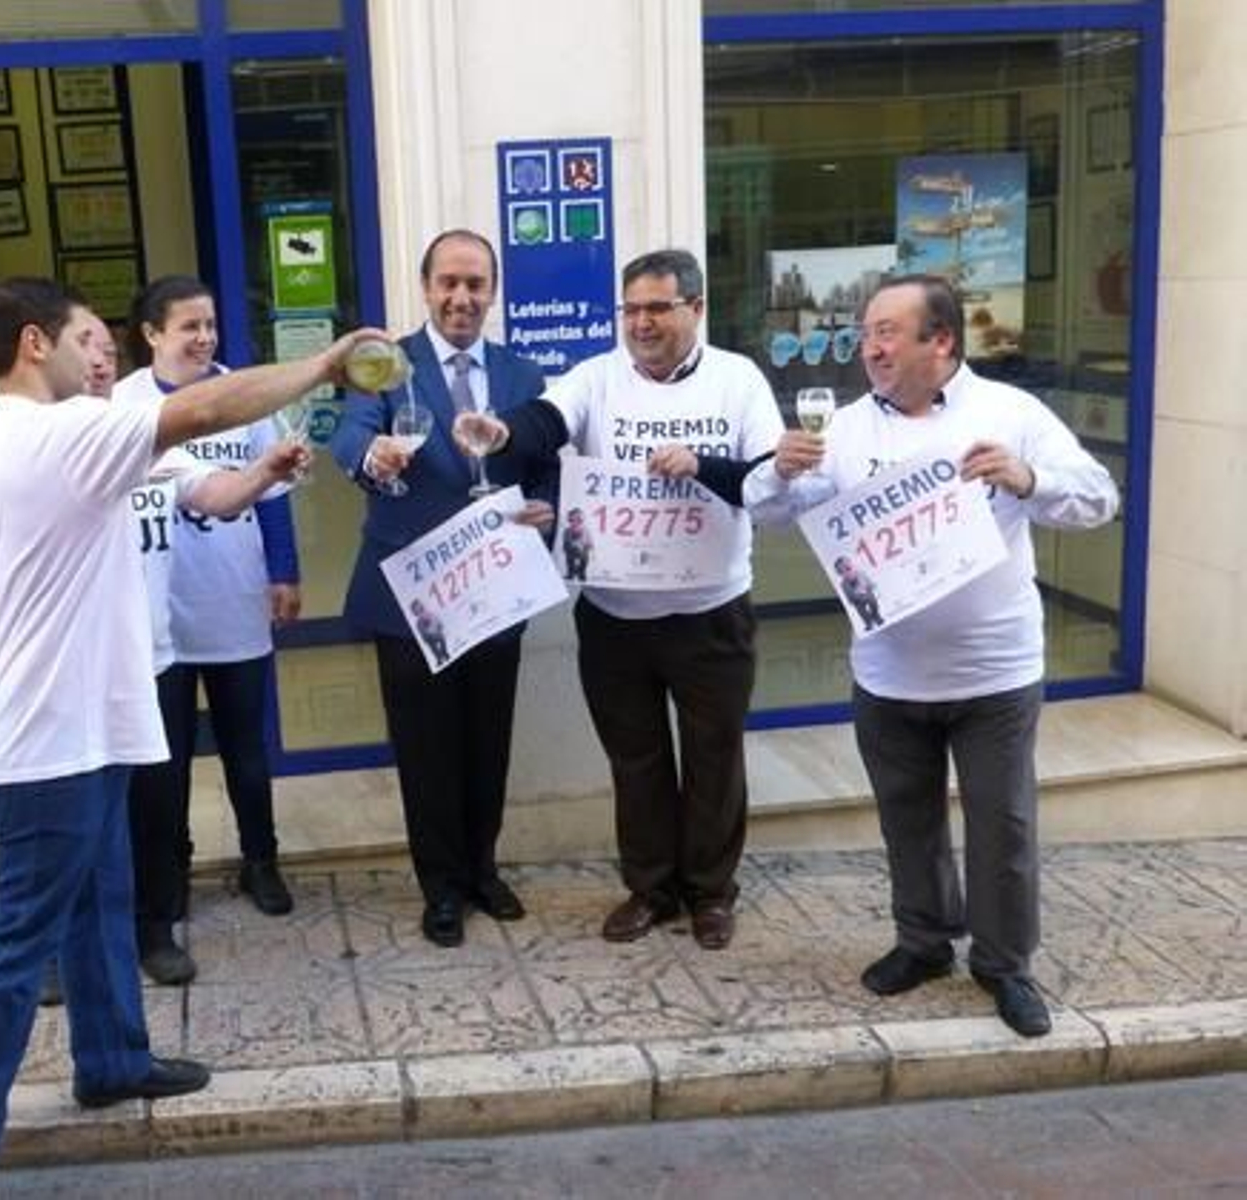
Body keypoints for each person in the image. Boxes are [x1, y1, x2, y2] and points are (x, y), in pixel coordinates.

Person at [0, 276, 375, 1199]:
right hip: (46, 739)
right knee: (19, 933)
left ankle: (113, 1058)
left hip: (84, 725)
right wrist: (322, 365)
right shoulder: (64, 432)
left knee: (99, 905)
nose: (103, 356)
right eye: (87, 339)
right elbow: (201, 408)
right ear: (34, 344)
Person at [744, 274, 1119, 1038]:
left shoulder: (1010, 414)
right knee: (906, 821)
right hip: (888, 676)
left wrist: (1029, 478)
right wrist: (779, 469)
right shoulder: (843, 429)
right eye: (867, 332)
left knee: (1002, 826)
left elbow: (1099, 496)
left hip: (995, 672)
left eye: (887, 331)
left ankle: (1004, 965)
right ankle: (923, 943)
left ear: (940, 340)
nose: (870, 346)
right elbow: (767, 510)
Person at [454, 249, 783, 951]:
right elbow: (548, 419)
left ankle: (711, 893)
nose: (641, 322)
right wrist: (504, 432)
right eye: (630, 309)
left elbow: (767, 476)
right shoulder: (596, 377)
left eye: (658, 308)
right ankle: (651, 889)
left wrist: (702, 465)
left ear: (695, 309)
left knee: (713, 760)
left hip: (710, 612)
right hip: (614, 615)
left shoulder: (738, 381)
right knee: (635, 761)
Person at [329, 229, 558, 949]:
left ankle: (483, 869)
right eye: (448, 284)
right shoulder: (387, 365)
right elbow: (348, 436)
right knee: (426, 749)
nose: (462, 298)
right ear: (426, 288)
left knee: (488, 740)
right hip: (412, 595)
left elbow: (548, 461)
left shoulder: (524, 374)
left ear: (492, 291)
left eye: (476, 284)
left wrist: (547, 514)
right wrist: (375, 454)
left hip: (497, 589)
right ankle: (441, 889)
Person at [113, 276, 303, 968]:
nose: (204, 338)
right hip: (156, 614)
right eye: (188, 326)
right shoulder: (124, 404)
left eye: (210, 324)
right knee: (163, 764)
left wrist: (283, 571)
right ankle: (174, 868)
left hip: (233, 596)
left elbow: (275, 492)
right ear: (153, 334)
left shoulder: (239, 395)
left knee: (245, 748)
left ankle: (261, 860)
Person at [833, 554, 884, 631]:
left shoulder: (861, 574)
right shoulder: (844, 584)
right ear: (840, 574)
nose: (847, 573)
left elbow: (868, 581)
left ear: (853, 566)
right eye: (842, 572)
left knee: (873, 603)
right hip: (857, 600)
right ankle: (868, 622)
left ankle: (876, 615)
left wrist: (871, 586)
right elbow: (848, 594)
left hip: (867, 593)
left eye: (848, 568)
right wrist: (854, 598)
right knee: (861, 611)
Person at [561, 507, 593, 581]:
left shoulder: (585, 530)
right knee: (569, 555)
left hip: (582, 551)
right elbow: (566, 543)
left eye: (578, 520)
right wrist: (571, 545)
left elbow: (589, 543)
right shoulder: (567, 531)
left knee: (585, 556)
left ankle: (581, 572)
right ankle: (571, 572)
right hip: (571, 551)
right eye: (572, 520)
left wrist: (586, 545)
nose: (574, 522)